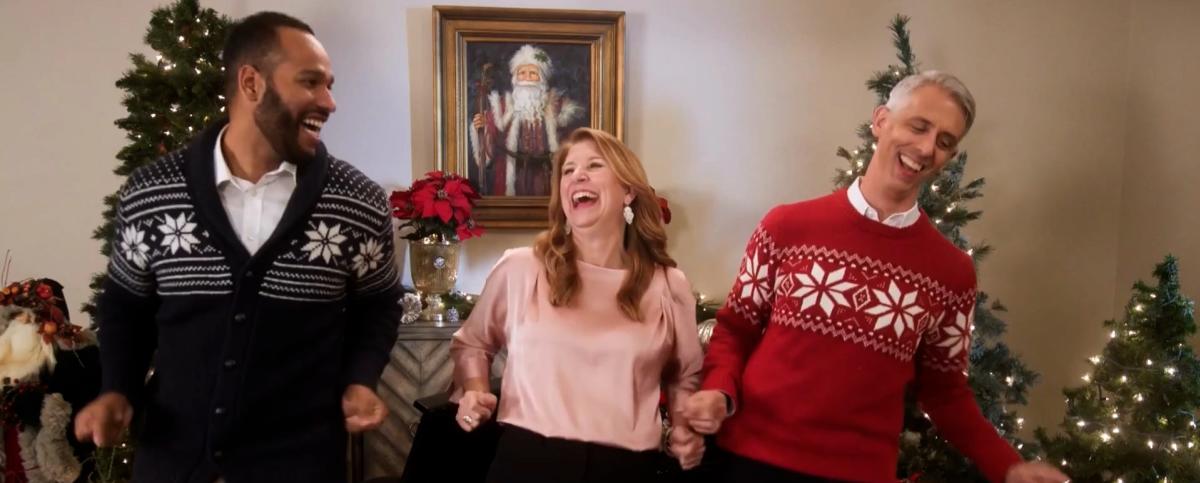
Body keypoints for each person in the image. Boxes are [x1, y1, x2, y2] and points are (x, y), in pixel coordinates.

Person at [683, 72, 1070, 483]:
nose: (925, 148)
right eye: (918, 126)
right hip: (746, 463)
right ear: (881, 120)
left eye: (944, 142)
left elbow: (945, 391)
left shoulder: (951, 272)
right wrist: (718, 392)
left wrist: (1007, 465)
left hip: (860, 474)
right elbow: (735, 330)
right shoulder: (787, 226)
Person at [73, 12, 402, 482]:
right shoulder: (151, 193)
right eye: (310, 82)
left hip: (301, 466)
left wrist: (360, 378)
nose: (328, 102)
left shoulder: (356, 202)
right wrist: (117, 390)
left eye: (329, 84)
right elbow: (125, 304)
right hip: (174, 462)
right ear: (251, 82)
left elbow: (379, 303)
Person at [451, 127, 704, 483]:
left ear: (628, 191)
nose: (577, 176)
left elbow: (684, 375)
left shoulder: (668, 286)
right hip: (526, 464)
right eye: (568, 171)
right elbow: (472, 343)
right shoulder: (522, 268)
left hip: (628, 470)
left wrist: (682, 428)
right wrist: (475, 391)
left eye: (594, 166)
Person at [469, 44, 583, 196]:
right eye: (522, 73)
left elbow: (570, 143)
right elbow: (489, 139)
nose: (527, 78)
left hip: (545, 176)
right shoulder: (503, 106)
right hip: (510, 174)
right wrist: (481, 126)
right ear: (515, 78)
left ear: (542, 79)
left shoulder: (556, 106)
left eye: (533, 73)